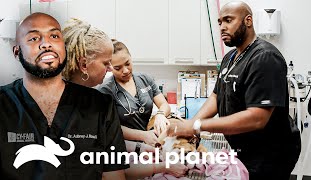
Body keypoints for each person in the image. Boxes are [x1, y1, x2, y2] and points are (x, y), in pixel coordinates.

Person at [168, 1, 301, 180]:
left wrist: (197, 126)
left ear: (248, 21)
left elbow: (257, 118)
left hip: (270, 154)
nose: (222, 27)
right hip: (244, 149)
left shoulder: (265, 57)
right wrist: (191, 124)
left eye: (228, 20)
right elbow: (217, 96)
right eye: (220, 22)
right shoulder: (230, 57)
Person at [0, 13, 128, 180]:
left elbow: (114, 175)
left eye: (54, 36)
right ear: (17, 52)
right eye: (34, 38)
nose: (46, 44)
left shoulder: (101, 105)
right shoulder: (4, 104)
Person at [62, 18, 188, 179]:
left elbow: (105, 145)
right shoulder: (77, 108)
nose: (109, 70)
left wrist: (139, 148)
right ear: (84, 65)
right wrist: (161, 166)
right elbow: (111, 171)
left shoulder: (88, 101)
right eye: (107, 64)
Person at [98, 40, 171, 146]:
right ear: (109, 67)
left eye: (128, 63)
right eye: (118, 68)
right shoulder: (106, 91)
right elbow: (109, 127)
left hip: (151, 140)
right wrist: (143, 135)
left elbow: (164, 105)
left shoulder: (145, 79)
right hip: (125, 146)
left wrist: (160, 115)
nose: (126, 70)